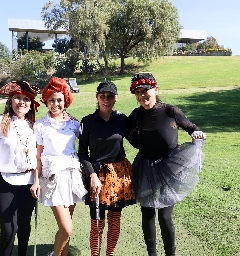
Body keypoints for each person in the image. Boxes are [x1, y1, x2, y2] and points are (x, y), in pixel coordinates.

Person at [126, 73, 206, 256]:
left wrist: (197, 133)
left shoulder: (170, 111)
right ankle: (152, 254)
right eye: (137, 93)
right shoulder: (136, 115)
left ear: (155, 90)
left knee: (165, 215)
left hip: (169, 169)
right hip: (145, 168)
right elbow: (124, 131)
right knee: (147, 214)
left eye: (145, 91)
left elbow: (190, 126)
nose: (141, 96)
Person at [0, 81, 41, 256]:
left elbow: (37, 157)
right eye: (17, 98)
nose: (22, 102)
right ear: (10, 101)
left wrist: (36, 181)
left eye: (26, 99)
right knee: (8, 229)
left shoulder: (34, 126)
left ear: (31, 104)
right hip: (5, 182)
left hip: (28, 182)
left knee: (24, 227)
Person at [78, 81, 136, 256]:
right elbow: (82, 153)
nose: (106, 100)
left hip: (118, 175)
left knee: (115, 221)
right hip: (96, 176)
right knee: (97, 222)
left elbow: (136, 141)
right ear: (97, 97)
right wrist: (92, 174)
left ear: (115, 98)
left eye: (110, 96)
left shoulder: (122, 120)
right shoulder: (88, 122)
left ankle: (109, 254)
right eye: (102, 96)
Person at [30, 77, 87, 256]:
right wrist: (36, 181)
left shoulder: (75, 124)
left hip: (72, 176)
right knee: (67, 228)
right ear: (46, 101)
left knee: (66, 228)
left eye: (59, 100)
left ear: (66, 100)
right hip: (52, 178)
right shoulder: (40, 125)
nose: (56, 104)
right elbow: (37, 156)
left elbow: (87, 147)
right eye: (51, 100)